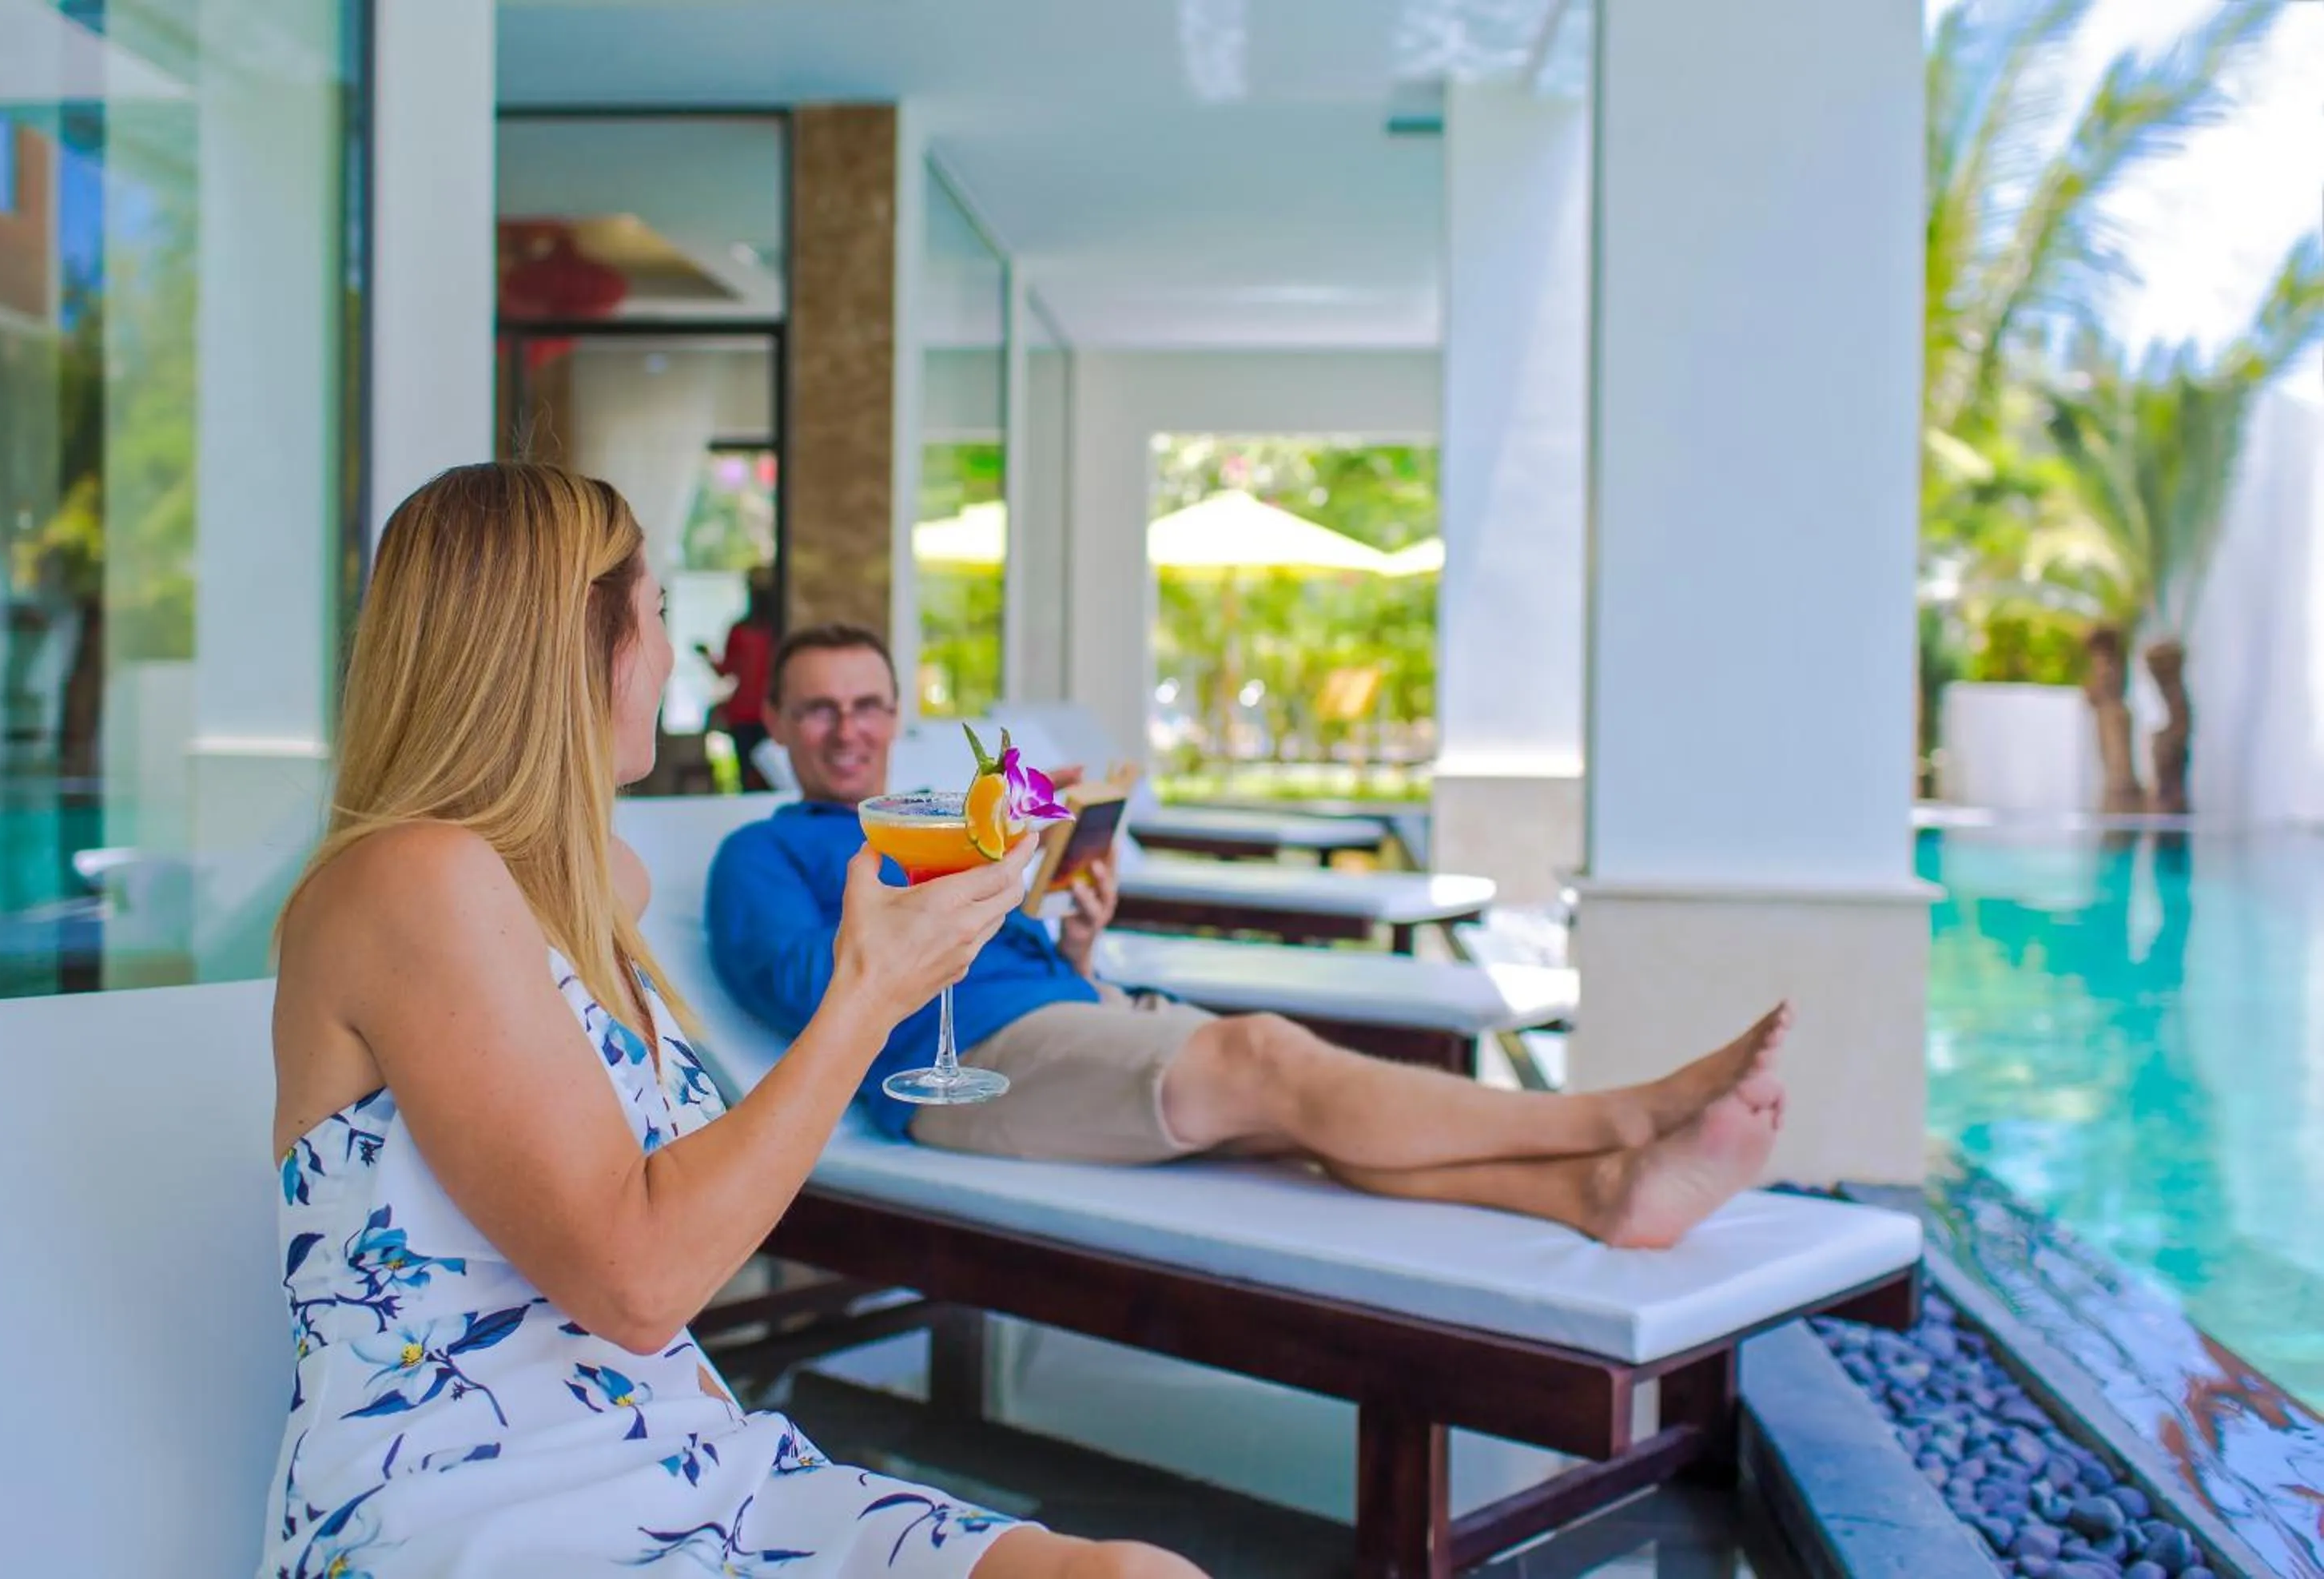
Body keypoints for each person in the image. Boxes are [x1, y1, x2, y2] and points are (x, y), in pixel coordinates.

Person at [269, 464, 1198, 1578]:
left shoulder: (594, 893)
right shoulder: (411, 881)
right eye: (657, 614)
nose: (669, 657)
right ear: (572, 645)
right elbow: (639, 1283)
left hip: (681, 1459)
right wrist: (870, 995)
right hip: (482, 1501)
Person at [711, 625, 1789, 1250]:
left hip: (1077, 1020)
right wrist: (962, 898)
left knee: (1306, 1119)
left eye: (868, 704)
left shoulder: (948, 815)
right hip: (965, 1078)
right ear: (774, 724)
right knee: (1269, 1055)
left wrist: (1073, 935)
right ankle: (1618, 1114)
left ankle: (1603, 1197)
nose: (848, 729)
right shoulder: (762, 855)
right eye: (816, 710)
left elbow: (1004, 960)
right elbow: (818, 989)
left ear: (899, 714)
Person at [696, 568, 778, 792]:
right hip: (767, 713)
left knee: (749, 779)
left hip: (747, 713)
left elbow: (726, 671)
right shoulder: (776, 631)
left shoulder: (742, 630)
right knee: (771, 780)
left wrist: (707, 656)